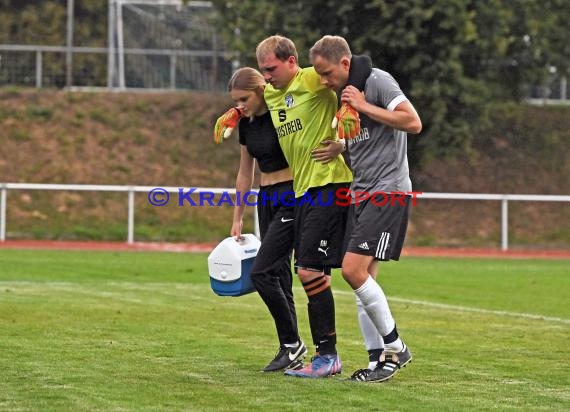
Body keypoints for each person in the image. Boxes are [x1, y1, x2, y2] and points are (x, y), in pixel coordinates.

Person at [309, 35, 423, 382]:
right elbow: (365, 137)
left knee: (352, 271)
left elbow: (412, 122)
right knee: (363, 280)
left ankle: (395, 347)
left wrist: (364, 105)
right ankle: (377, 361)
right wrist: (340, 147)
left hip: (387, 192)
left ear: (345, 64)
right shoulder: (343, 94)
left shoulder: (377, 81)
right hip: (361, 194)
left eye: (327, 73)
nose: (324, 81)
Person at [255, 35, 356, 378]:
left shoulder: (311, 78)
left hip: (329, 184)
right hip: (300, 191)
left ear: (292, 62)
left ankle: (328, 357)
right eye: (262, 70)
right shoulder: (270, 92)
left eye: (271, 69)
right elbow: (250, 92)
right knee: (270, 269)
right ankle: (304, 350)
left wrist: (342, 142)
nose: (267, 76)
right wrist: (235, 111)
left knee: (310, 271)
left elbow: (353, 75)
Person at [215, 67, 307, 372]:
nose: (239, 105)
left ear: (260, 91)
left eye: (244, 98)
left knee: (262, 272)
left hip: (292, 194)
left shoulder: (283, 112)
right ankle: (290, 347)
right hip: (265, 198)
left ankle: (293, 344)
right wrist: (237, 216)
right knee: (279, 275)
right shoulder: (245, 123)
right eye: (235, 101)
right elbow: (245, 172)